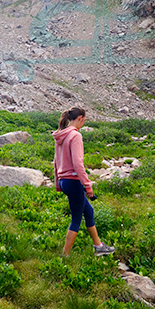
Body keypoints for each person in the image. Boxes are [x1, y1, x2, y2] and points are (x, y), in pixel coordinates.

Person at [52, 107, 114, 256]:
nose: (83, 125)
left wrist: (57, 183)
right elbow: (78, 164)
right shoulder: (75, 136)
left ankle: (98, 246)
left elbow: (55, 162)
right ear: (80, 118)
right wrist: (88, 186)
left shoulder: (60, 135)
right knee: (76, 219)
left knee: (89, 211)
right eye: (84, 121)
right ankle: (64, 256)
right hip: (73, 181)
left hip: (63, 181)